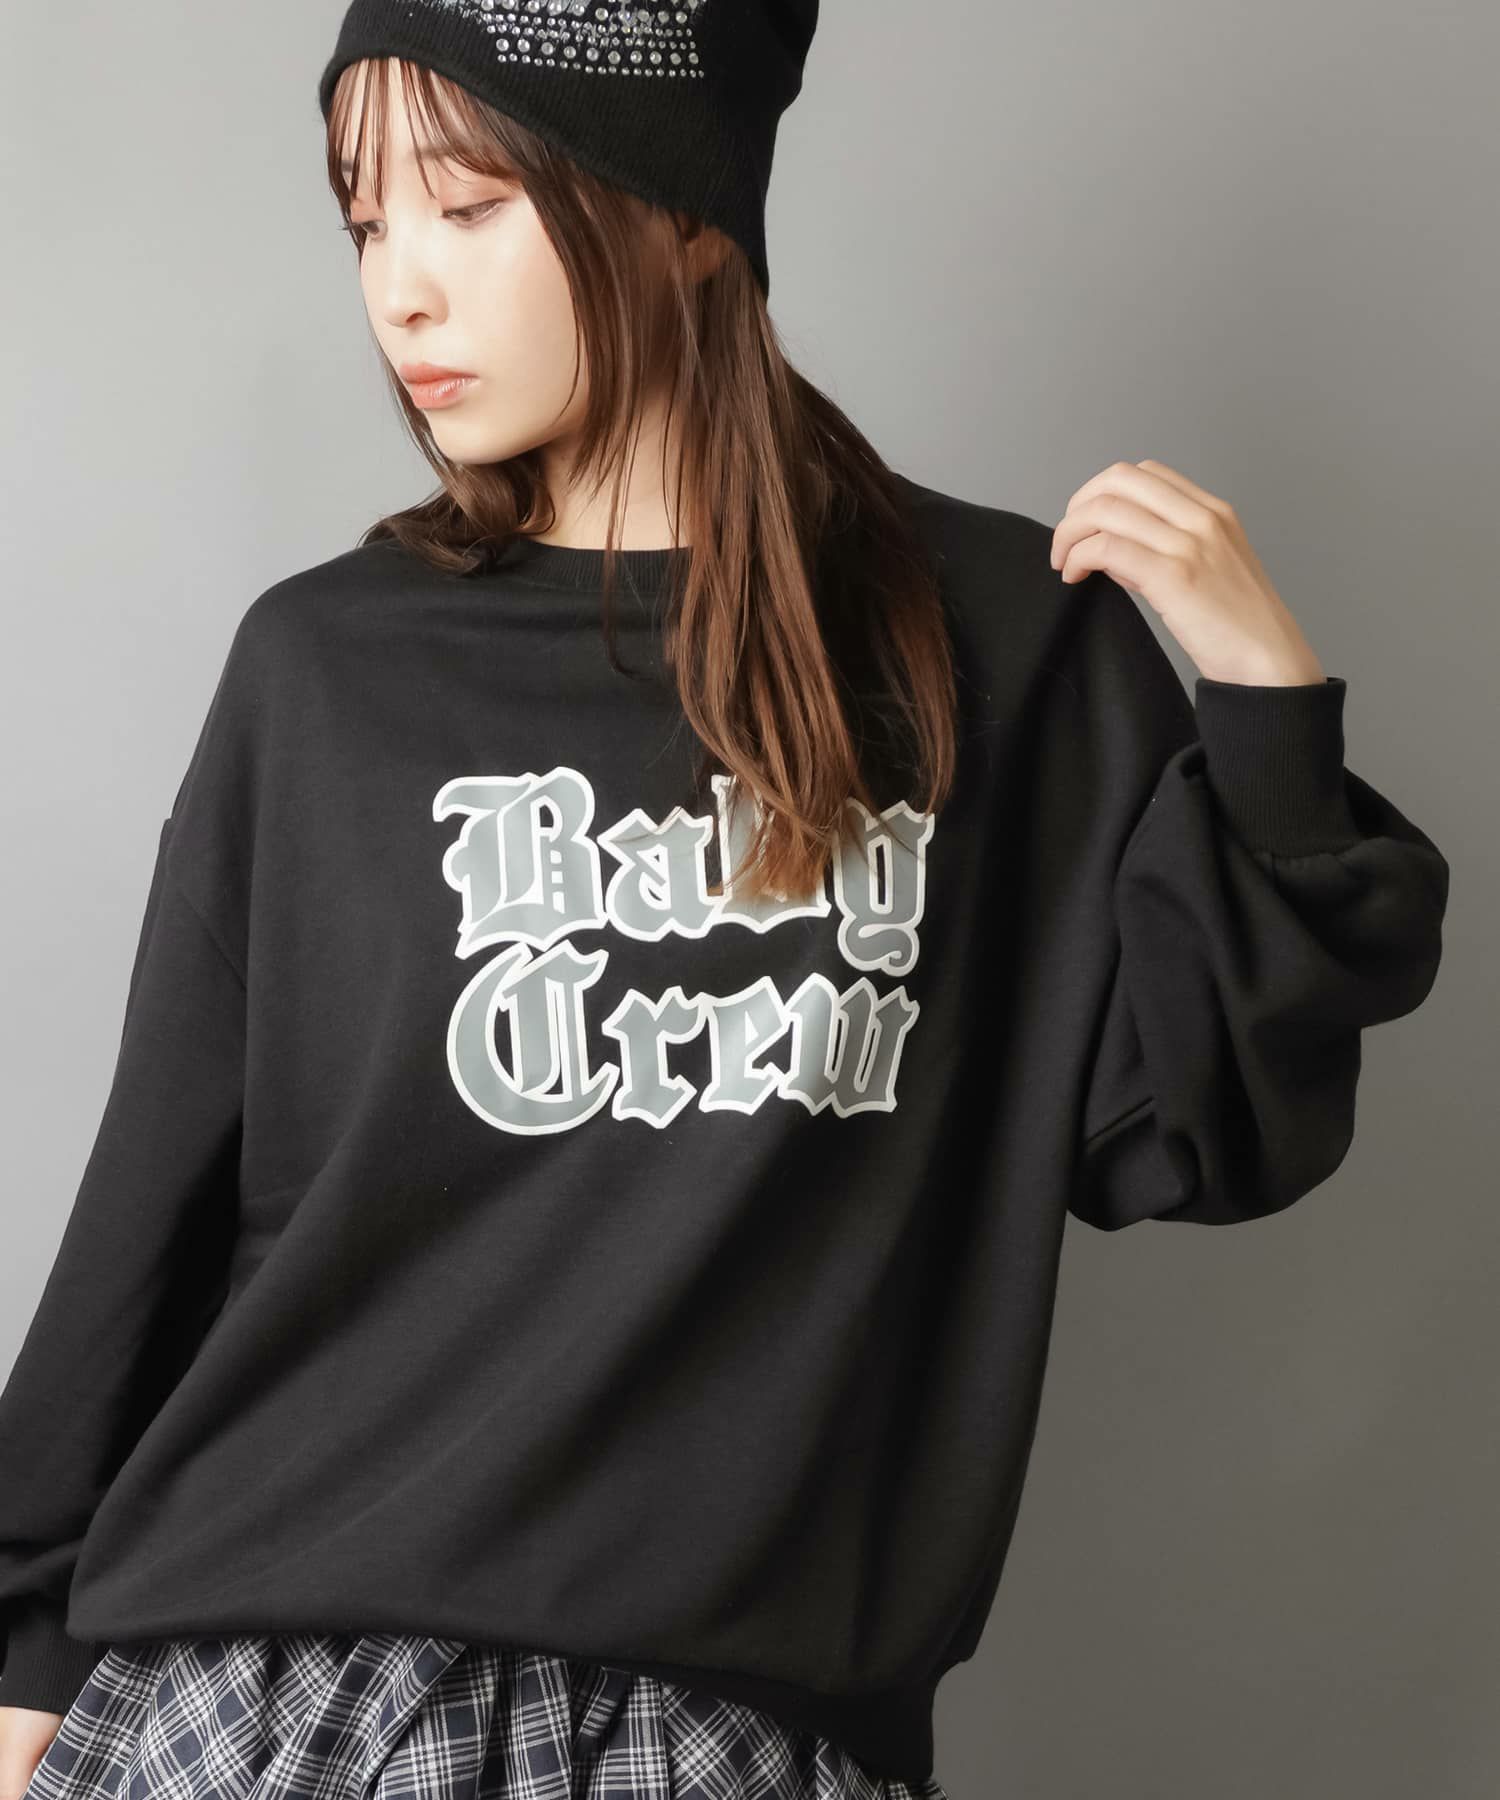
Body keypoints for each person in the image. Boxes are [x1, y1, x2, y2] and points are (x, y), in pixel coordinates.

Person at [0, 2, 1451, 1797]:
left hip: (730, 1732)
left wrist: (1267, 715)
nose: (400, 291)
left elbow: (1204, 1132)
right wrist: (31, 1637)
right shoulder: (326, 668)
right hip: (277, 1698)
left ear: (686, 210)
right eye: (365, 220)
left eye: (468, 206)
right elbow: (161, 1192)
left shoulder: (1000, 649)